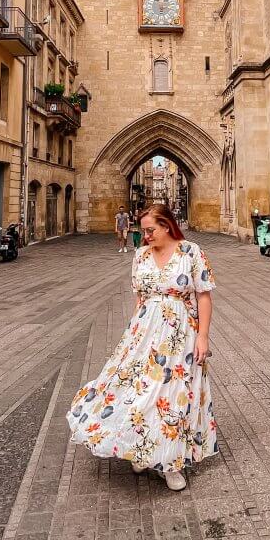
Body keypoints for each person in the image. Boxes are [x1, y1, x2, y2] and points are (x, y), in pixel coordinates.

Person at [67, 203, 217, 492]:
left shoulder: (191, 252)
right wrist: (131, 336)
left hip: (181, 335)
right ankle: (143, 448)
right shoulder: (140, 256)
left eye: (150, 230)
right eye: (143, 230)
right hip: (145, 332)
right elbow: (140, 300)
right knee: (140, 390)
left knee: (174, 395)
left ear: (167, 226)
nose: (145, 236)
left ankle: (170, 463)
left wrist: (203, 336)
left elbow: (204, 297)